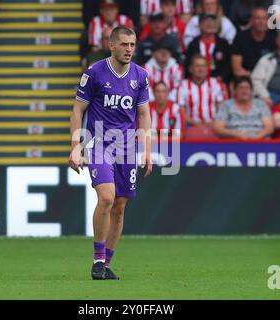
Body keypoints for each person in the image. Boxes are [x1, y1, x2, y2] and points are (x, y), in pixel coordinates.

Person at [69, 26, 152, 280]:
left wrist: (146, 150)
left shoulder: (140, 75)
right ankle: (97, 260)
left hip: (126, 147)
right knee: (106, 197)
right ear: (112, 45)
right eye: (124, 44)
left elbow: (144, 114)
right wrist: (76, 146)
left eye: (132, 45)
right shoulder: (94, 73)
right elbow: (77, 110)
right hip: (99, 143)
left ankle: (105, 263)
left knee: (119, 207)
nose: (129, 49)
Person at [172, 54, 224, 126]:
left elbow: (221, 109)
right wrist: (194, 123)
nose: (201, 69)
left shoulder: (215, 83)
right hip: (190, 126)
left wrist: (214, 123)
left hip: (213, 125)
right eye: (197, 66)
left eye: (203, 66)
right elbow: (180, 112)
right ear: (190, 69)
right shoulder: (183, 86)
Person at [231, 6, 277, 78]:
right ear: (251, 21)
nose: (261, 22)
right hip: (246, 78)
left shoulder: (273, 38)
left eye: (264, 19)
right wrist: (255, 76)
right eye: (258, 18)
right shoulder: (240, 38)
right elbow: (237, 70)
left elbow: (277, 66)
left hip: (267, 78)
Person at [185, 13, 231, 83]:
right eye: (206, 21)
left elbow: (228, 66)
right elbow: (188, 66)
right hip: (196, 83)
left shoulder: (223, 44)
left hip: (219, 82)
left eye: (212, 21)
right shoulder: (193, 44)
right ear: (200, 25)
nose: (209, 24)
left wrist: (221, 77)